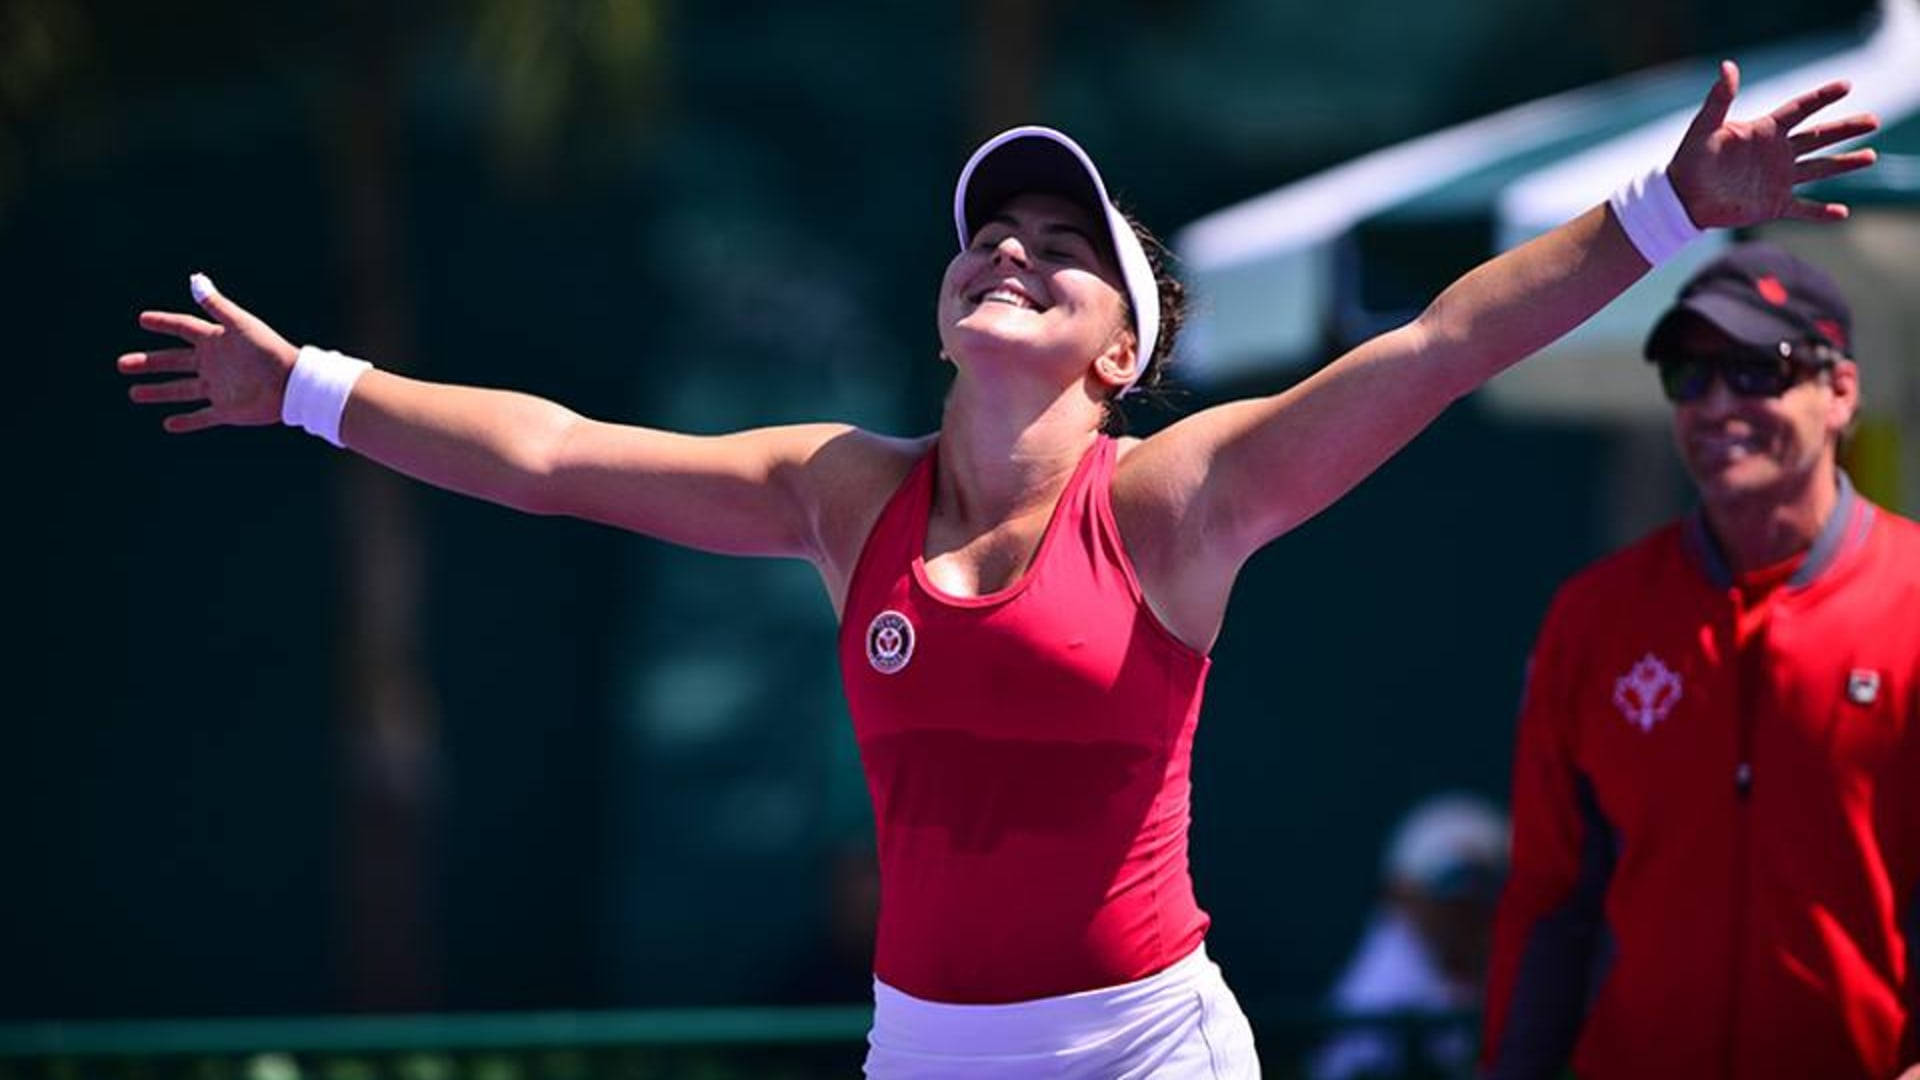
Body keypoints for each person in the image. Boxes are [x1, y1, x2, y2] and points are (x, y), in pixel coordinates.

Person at [121, 64, 1872, 1078]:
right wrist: (308, 393)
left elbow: (1440, 341)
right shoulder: (837, 491)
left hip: (1147, 1052)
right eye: (987, 241)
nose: (1011, 257)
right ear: (946, 308)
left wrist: (1670, 206)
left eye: (1062, 253)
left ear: (1119, 352)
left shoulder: (1183, 498)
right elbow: (559, 459)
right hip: (927, 1050)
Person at [1481, 243, 1919, 1079]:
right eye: (1690, 372)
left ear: (1840, 393)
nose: (1717, 403)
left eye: (1758, 369)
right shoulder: (1596, 616)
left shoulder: (1912, 596)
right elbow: (1549, 899)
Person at [1312, 794, 1507, 1080]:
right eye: (1451, 896)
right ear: (1403, 894)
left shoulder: (1523, 959)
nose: (1466, 912)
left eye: (1482, 892)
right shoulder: (1380, 990)